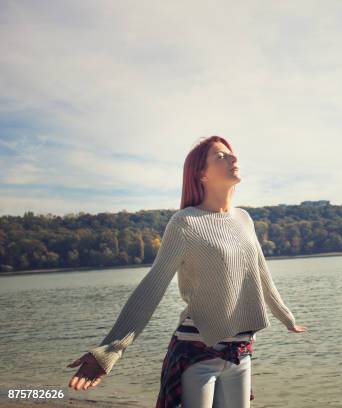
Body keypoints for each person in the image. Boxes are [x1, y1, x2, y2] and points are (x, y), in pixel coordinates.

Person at [67, 135, 307, 407]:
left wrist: (286, 317)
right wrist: (110, 350)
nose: (233, 159)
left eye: (231, 153)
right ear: (201, 174)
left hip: (240, 352)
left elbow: (262, 274)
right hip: (196, 352)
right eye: (220, 156)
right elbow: (152, 287)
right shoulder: (185, 223)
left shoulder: (244, 219)